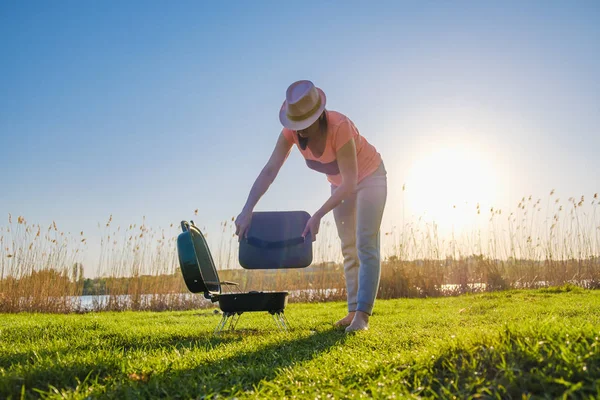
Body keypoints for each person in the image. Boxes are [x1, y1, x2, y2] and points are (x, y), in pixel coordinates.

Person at [234, 80, 387, 332]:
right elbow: (270, 170)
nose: (300, 131)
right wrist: (247, 208)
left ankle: (362, 317)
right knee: (348, 248)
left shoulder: (340, 126)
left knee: (365, 244)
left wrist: (318, 214)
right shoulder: (291, 134)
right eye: (296, 125)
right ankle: (351, 311)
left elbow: (350, 182)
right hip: (339, 186)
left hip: (370, 177)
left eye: (304, 124)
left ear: (319, 116)